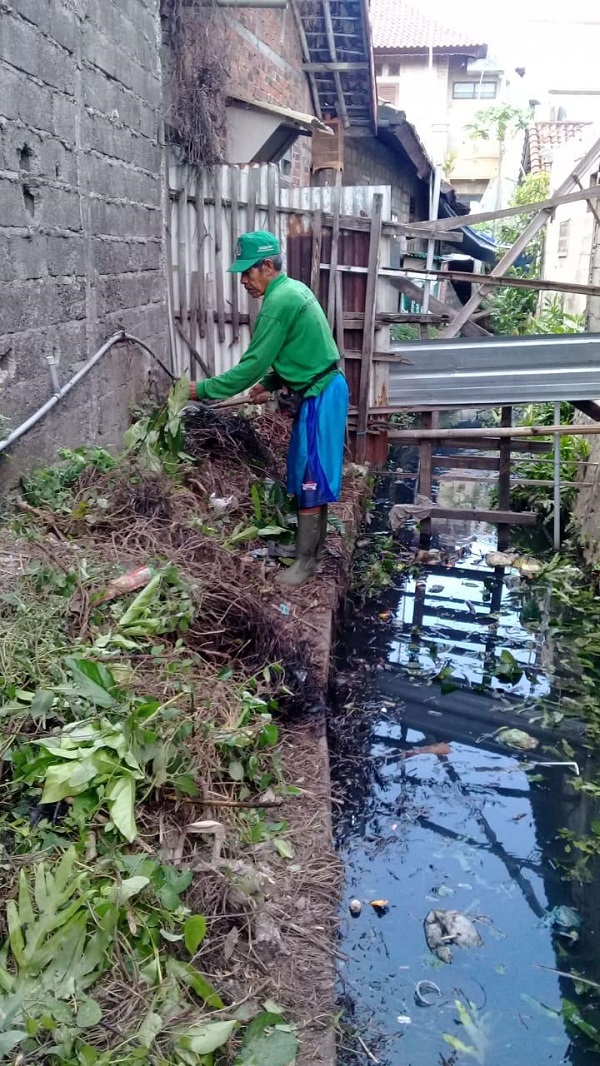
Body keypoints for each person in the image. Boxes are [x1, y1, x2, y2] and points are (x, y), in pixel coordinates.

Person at [190, 230, 349, 588]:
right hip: (322, 389)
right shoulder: (293, 290)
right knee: (309, 473)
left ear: (266, 266)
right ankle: (311, 552)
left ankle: (305, 564)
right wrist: (270, 384)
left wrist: (202, 390)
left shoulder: (278, 303)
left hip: (320, 395)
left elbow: (251, 365)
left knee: (310, 477)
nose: (243, 281)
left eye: (247, 272)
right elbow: (303, 350)